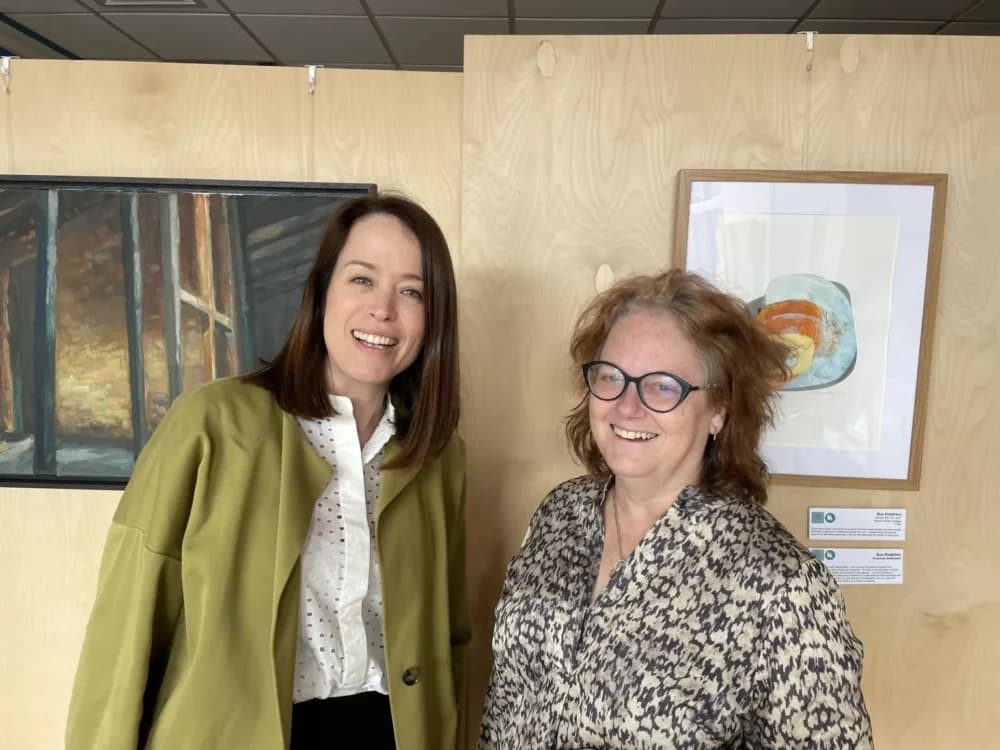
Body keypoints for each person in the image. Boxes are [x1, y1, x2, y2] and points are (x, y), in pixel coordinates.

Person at [66, 193, 469, 750]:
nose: (384, 309)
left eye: (411, 291)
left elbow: (448, 638)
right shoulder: (209, 425)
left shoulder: (437, 455)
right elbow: (124, 635)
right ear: (322, 289)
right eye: (361, 280)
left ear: (433, 317)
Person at [479, 269, 873, 749]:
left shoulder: (783, 587)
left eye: (663, 386)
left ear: (719, 410)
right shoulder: (561, 513)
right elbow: (507, 703)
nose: (627, 406)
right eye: (611, 377)